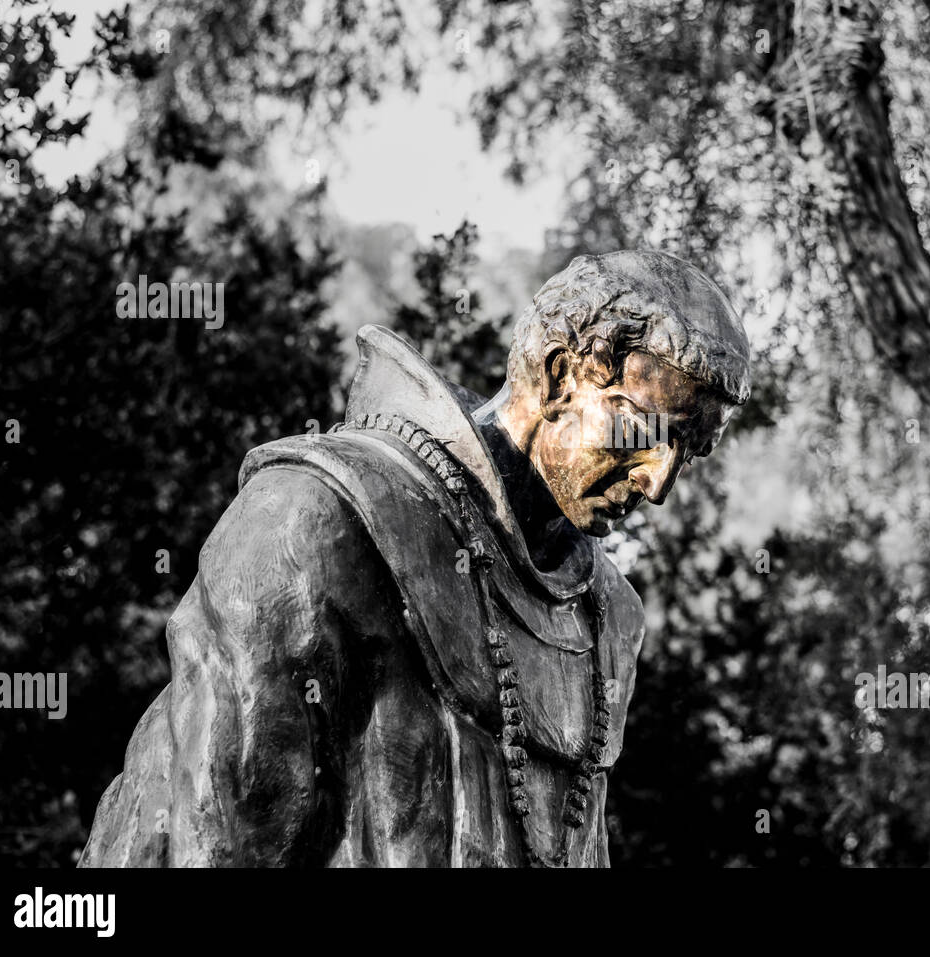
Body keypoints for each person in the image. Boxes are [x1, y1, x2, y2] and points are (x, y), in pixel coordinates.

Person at [81, 249, 751, 867]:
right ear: (556, 373)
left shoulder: (609, 620)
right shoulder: (315, 519)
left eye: (687, 452)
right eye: (642, 431)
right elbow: (218, 845)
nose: (659, 483)